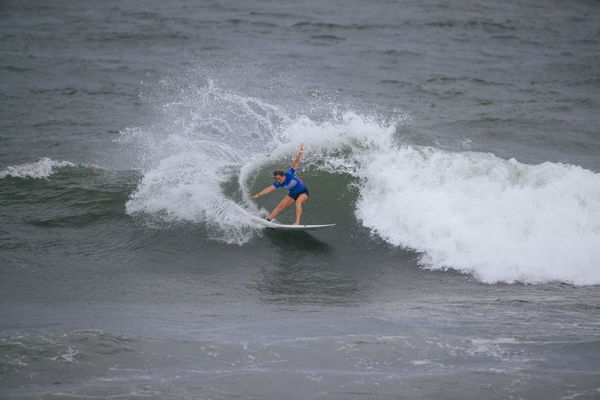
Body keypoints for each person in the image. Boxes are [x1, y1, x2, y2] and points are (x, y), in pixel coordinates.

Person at [251, 143, 309, 225]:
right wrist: (259, 194)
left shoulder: (289, 173)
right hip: (293, 194)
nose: (278, 180)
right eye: (276, 178)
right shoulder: (278, 183)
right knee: (280, 206)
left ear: (283, 175)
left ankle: (297, 222)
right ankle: (268, 220)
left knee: (298, 202)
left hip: (303, 192)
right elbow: (269, 188)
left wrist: (301, 150)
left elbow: (296, 162)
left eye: (279, 178)